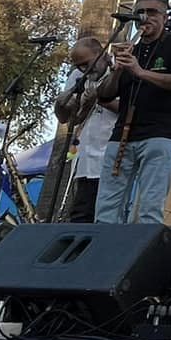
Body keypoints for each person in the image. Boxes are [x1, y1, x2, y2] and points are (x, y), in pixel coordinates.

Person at [95, 0, 171, 225]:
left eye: (152, 12)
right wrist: (118, 70)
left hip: (159, 135)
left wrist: (139, 72)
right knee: (106, 209)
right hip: (122, 135)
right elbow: (105, 95)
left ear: (165, 18)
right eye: (140, 12)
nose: (145, 17)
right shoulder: (132, 49)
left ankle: (143, 248)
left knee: (149, 209)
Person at [52, 35, 117, 223]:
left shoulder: (117, 71)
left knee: (105, 215)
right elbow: (65, 118)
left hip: (111, 155)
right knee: (80, 215)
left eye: (87, 64)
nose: (84, 70)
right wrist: (60, 104)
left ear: (101, 54)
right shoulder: (78, 76)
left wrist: (100, 99)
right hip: (84, 157)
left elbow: (129, 108)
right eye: (79, 66)